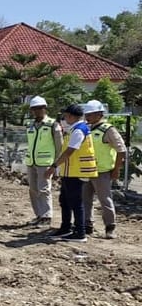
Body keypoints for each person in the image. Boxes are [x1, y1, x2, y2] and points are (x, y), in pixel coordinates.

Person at [46, 105, 98, 242]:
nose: (64, 118)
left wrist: (54, 166)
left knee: (75, 202)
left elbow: (70, 151)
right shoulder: (74, 129)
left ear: (71, 116)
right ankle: (66, 228)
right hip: (71, 171)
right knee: (65, 200)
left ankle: (80, 232)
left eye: (66, 115)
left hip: (77, 171)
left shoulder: (78, 131)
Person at [82, 100, 127, 239]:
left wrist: (116, 169)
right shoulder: (87, 129)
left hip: (102, 171)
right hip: (87, 170)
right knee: (85, 199)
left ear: (99, 114)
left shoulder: (108, 130)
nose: (87, 117)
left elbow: (121, 150)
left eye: (90, 114)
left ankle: (110, 227)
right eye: (86, 114)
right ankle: (87, 225)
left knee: (105, 200)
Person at [24, 96, 62, 226]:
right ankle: (39, 215)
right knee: (33, 189)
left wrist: (55, 165)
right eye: (34, 109)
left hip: (46, 163)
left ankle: (47, 216)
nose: (36, 111)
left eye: (39, 108)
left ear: (45, 109)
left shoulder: (53, 125)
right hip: (31, 162)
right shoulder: (30, 126)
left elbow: (59, 147)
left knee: (44, 189)